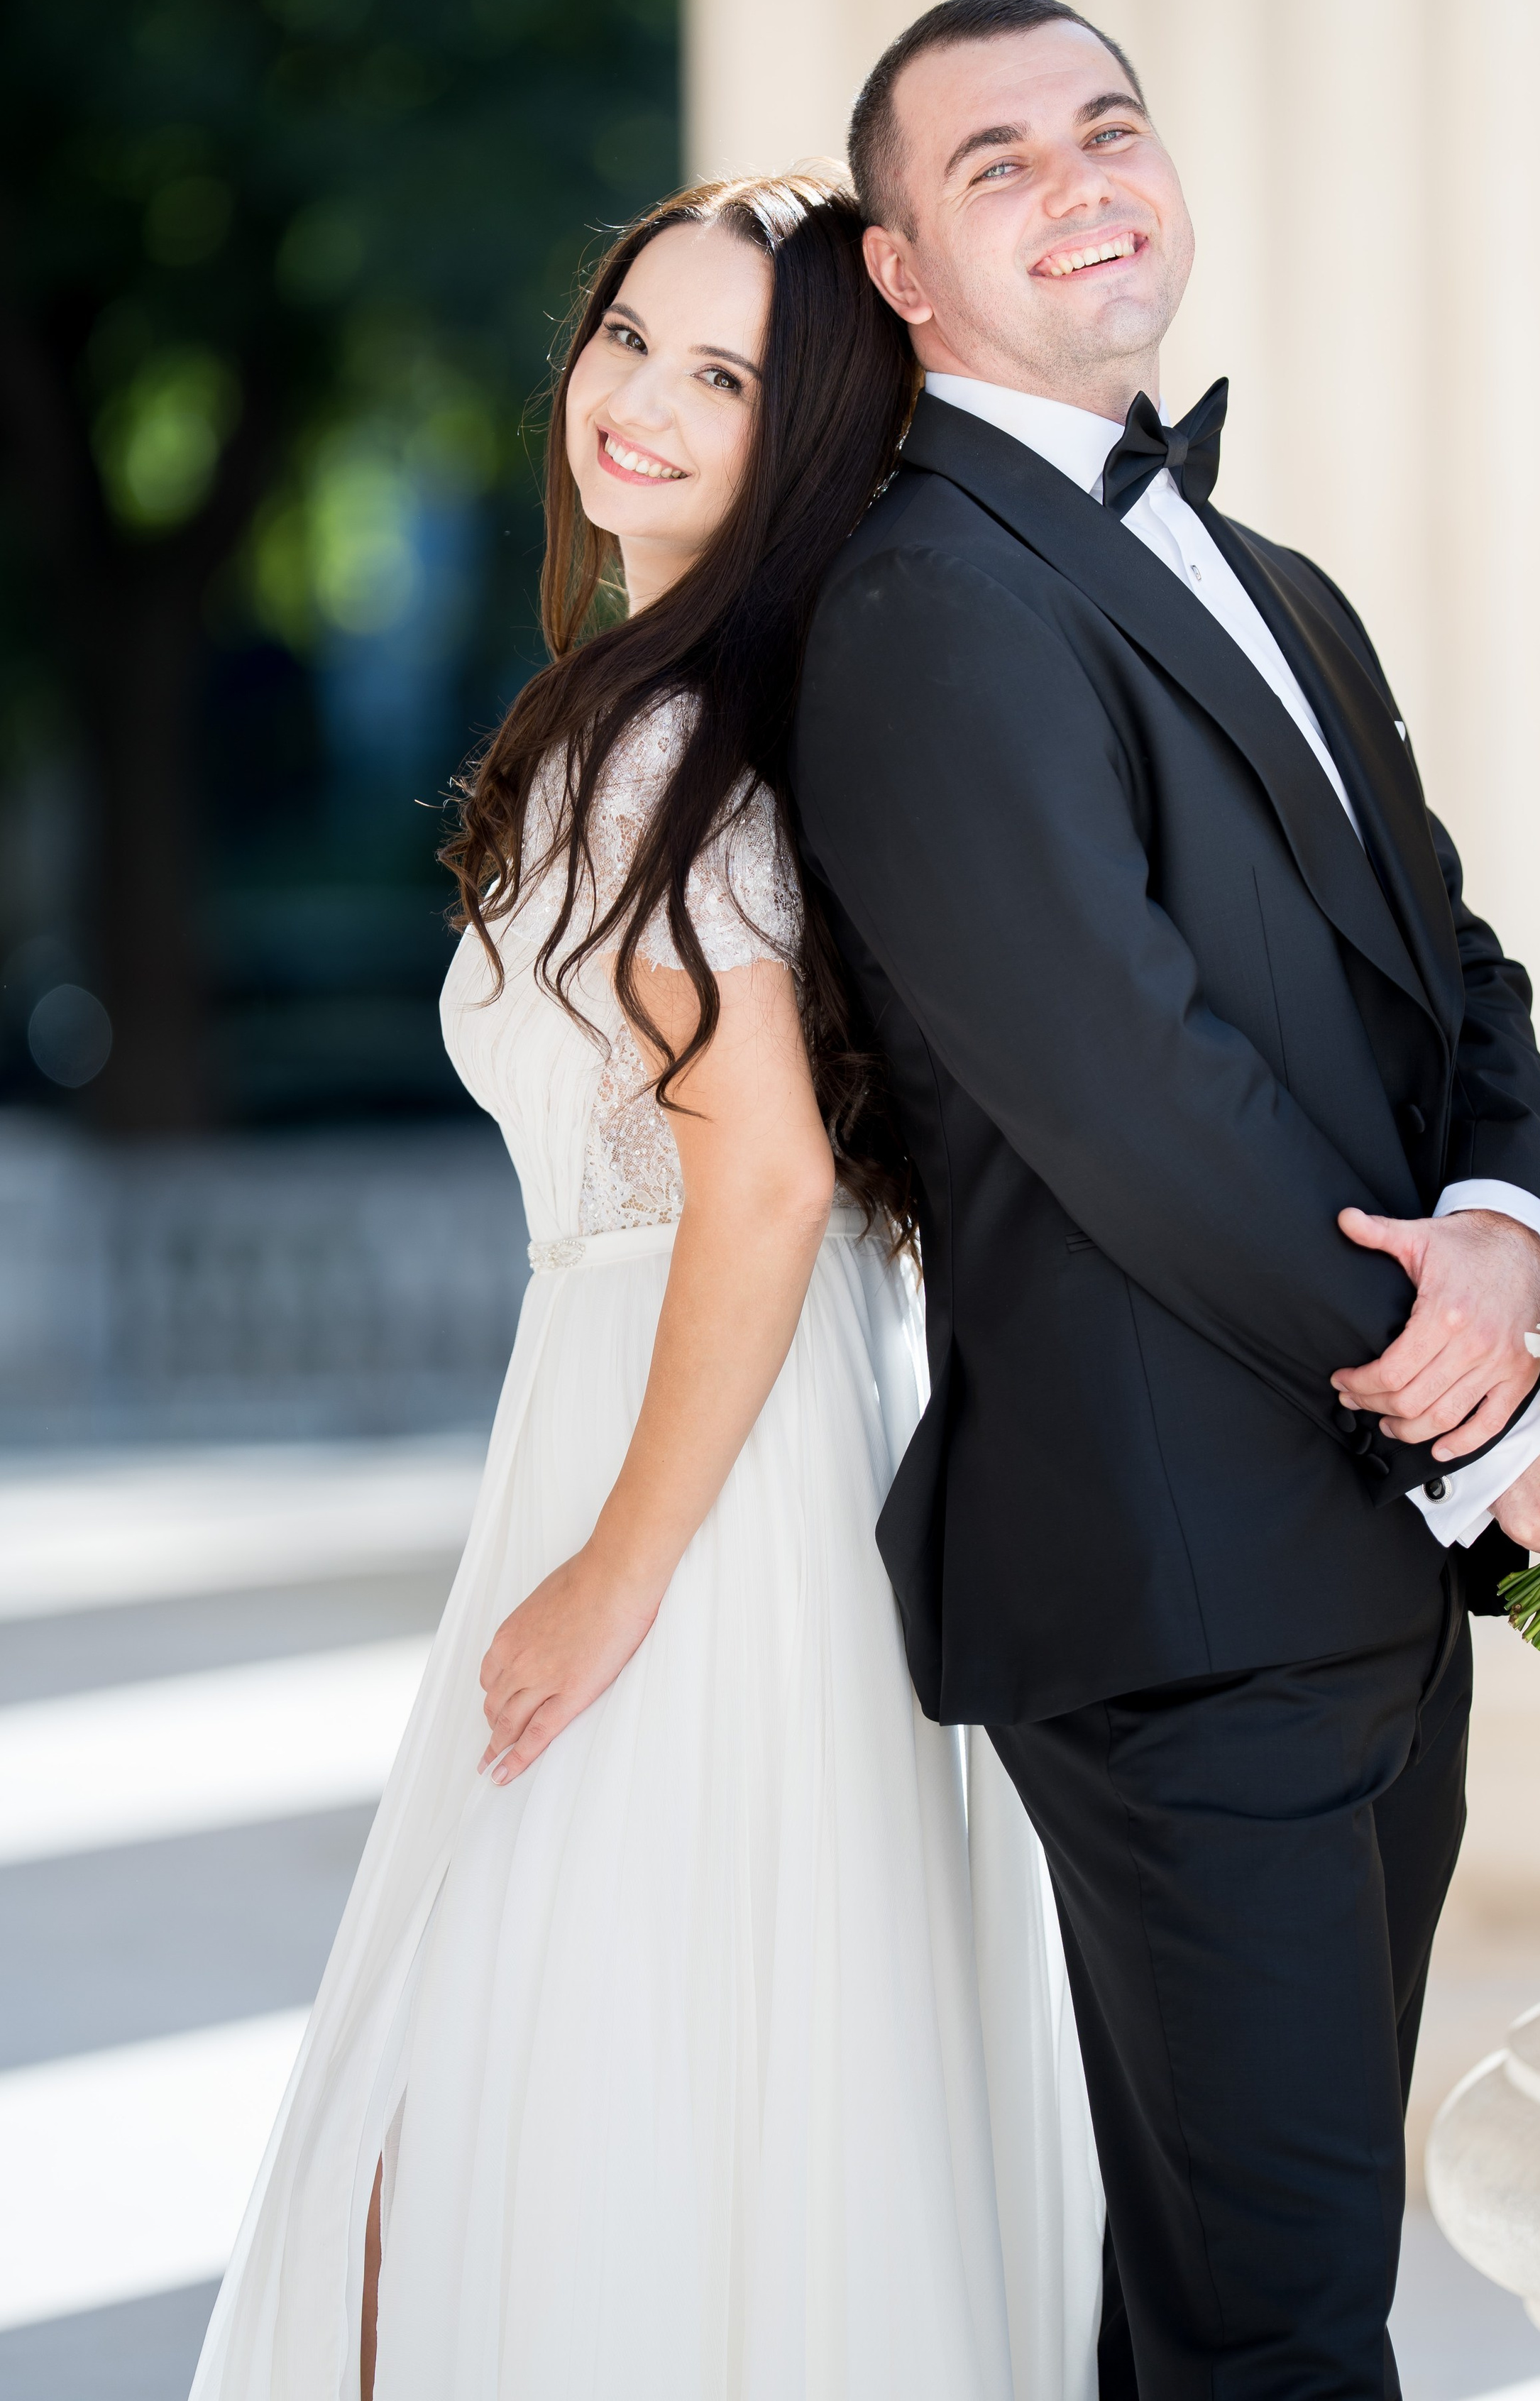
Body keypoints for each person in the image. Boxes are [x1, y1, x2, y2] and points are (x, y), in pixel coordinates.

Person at [790, 0, 1540, 2400]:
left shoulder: (1275, 578)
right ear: (900, 271)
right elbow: (1133, 1091)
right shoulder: (923, 602)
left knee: (1241, 2311)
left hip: (1357, 1570)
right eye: (998, 163)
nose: (1084, 182)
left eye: (1110, 127)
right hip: (1178, 1590)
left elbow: (1457, 974)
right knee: (1282, 2330)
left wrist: (1512, 1231)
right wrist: (1495, 1416)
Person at [189, 171, 1103, 2401]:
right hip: (726, 1437)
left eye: (723, 376)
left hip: (692, 1479)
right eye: (628, 337)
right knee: (634, 2114)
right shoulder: (703, 707)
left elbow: (765, 1179)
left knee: (479, 2135)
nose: (641, 402)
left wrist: (614, 1565)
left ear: (805, 437)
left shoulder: (664, 746)